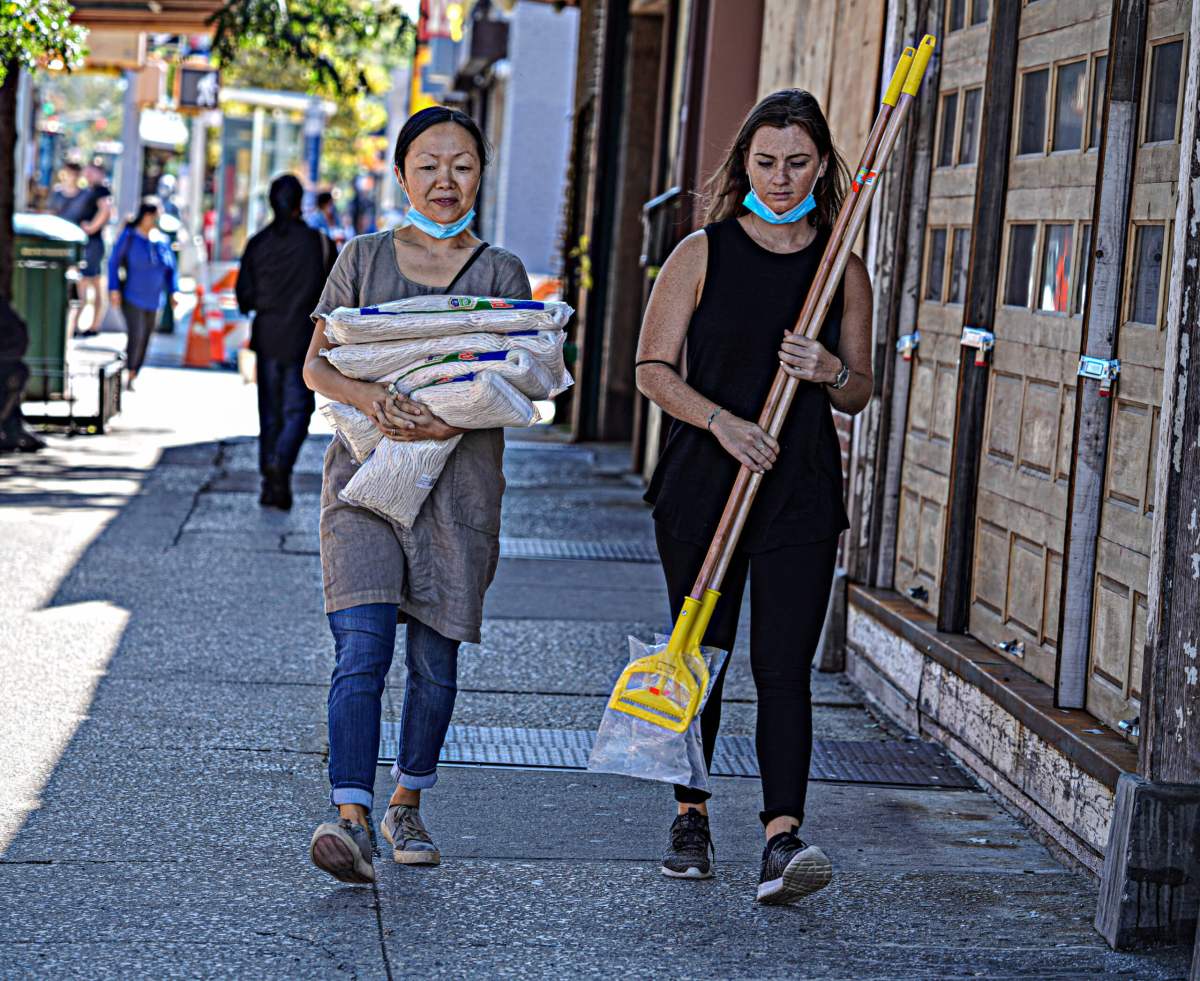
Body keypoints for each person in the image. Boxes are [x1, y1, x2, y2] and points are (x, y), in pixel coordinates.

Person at [635, 89, 873, 905]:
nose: (780, 178)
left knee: (784, 668)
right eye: (765, 162)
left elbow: (860, 391)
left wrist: (828, 371)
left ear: (823, 166)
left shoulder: (841, 266)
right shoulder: (701, 252)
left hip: (799, 490)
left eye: (797, 162)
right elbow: (651, 368)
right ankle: (691, 814)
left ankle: (781, 837)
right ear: (744, 164)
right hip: (705, 484)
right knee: (700, 655)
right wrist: (722, 422)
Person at [302, 105, 530, 884]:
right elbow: (318, 367)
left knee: (434, 664)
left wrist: (452, 408)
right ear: (400, 174)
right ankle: (351, 818)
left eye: (461, 165)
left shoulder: (501, 274)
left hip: (458, 494)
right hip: (364, 484)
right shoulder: (361, 259)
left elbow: (524, 374)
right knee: (361, 650)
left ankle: (407, 800)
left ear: (480, 176)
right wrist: (377, 404)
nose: (444, 180)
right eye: (427, 164)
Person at [236, 174, 335, 510]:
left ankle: (271, 477)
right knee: (297, 410)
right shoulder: (318, 243)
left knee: (270, 412)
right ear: (298, 204)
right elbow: (335, 297)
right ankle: (280, 467)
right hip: (303, 341)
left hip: (266, 338)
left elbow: (243, 298)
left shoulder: (257, 243)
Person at [108, 198, 177, 391]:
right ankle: (128, 371)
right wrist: (113, 289)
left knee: (146, 337)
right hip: (132, 296)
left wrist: (174, 291)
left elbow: (171, 269)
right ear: (146, 216)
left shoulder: (162, 240)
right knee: (136, 335)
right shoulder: (130, 236)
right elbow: (114, 262)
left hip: (154, 299)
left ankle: (134, 371)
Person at [69, 160, 114, 338]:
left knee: (86, 283)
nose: (88, 174)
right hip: (91, 241)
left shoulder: (101, 190)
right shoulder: (92, 190)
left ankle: (83, 325)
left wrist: (91, 228)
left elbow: (106, 210)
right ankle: (91, 325)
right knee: (94, 283)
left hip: (92, 242)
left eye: (92, 171)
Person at [0, 297, 45, 454]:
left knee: (16, 377)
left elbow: (19, 337)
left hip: (8, 362)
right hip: (7, 362)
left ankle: (10, 427)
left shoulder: (4, 310)